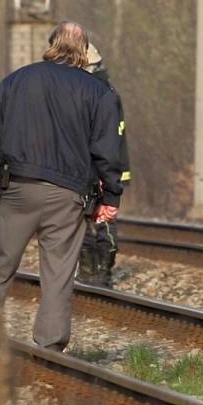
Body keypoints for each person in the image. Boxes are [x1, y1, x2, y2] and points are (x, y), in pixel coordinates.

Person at [0, 22, 124, 369]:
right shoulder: (99, 92)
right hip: (68, 196)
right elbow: (107, 151)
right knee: (58, 274)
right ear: (84, 51)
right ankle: (48, 352)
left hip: (17, 188)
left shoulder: (15, 81)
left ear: (51, 44)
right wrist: (111, 197)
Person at [76, 43, 131, 288]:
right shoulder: (107, 91)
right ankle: (97, 272)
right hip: (106, 167)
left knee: (92, 219)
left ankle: (95, 272)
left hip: (96, 167)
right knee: (98, 219)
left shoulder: (95, 93)